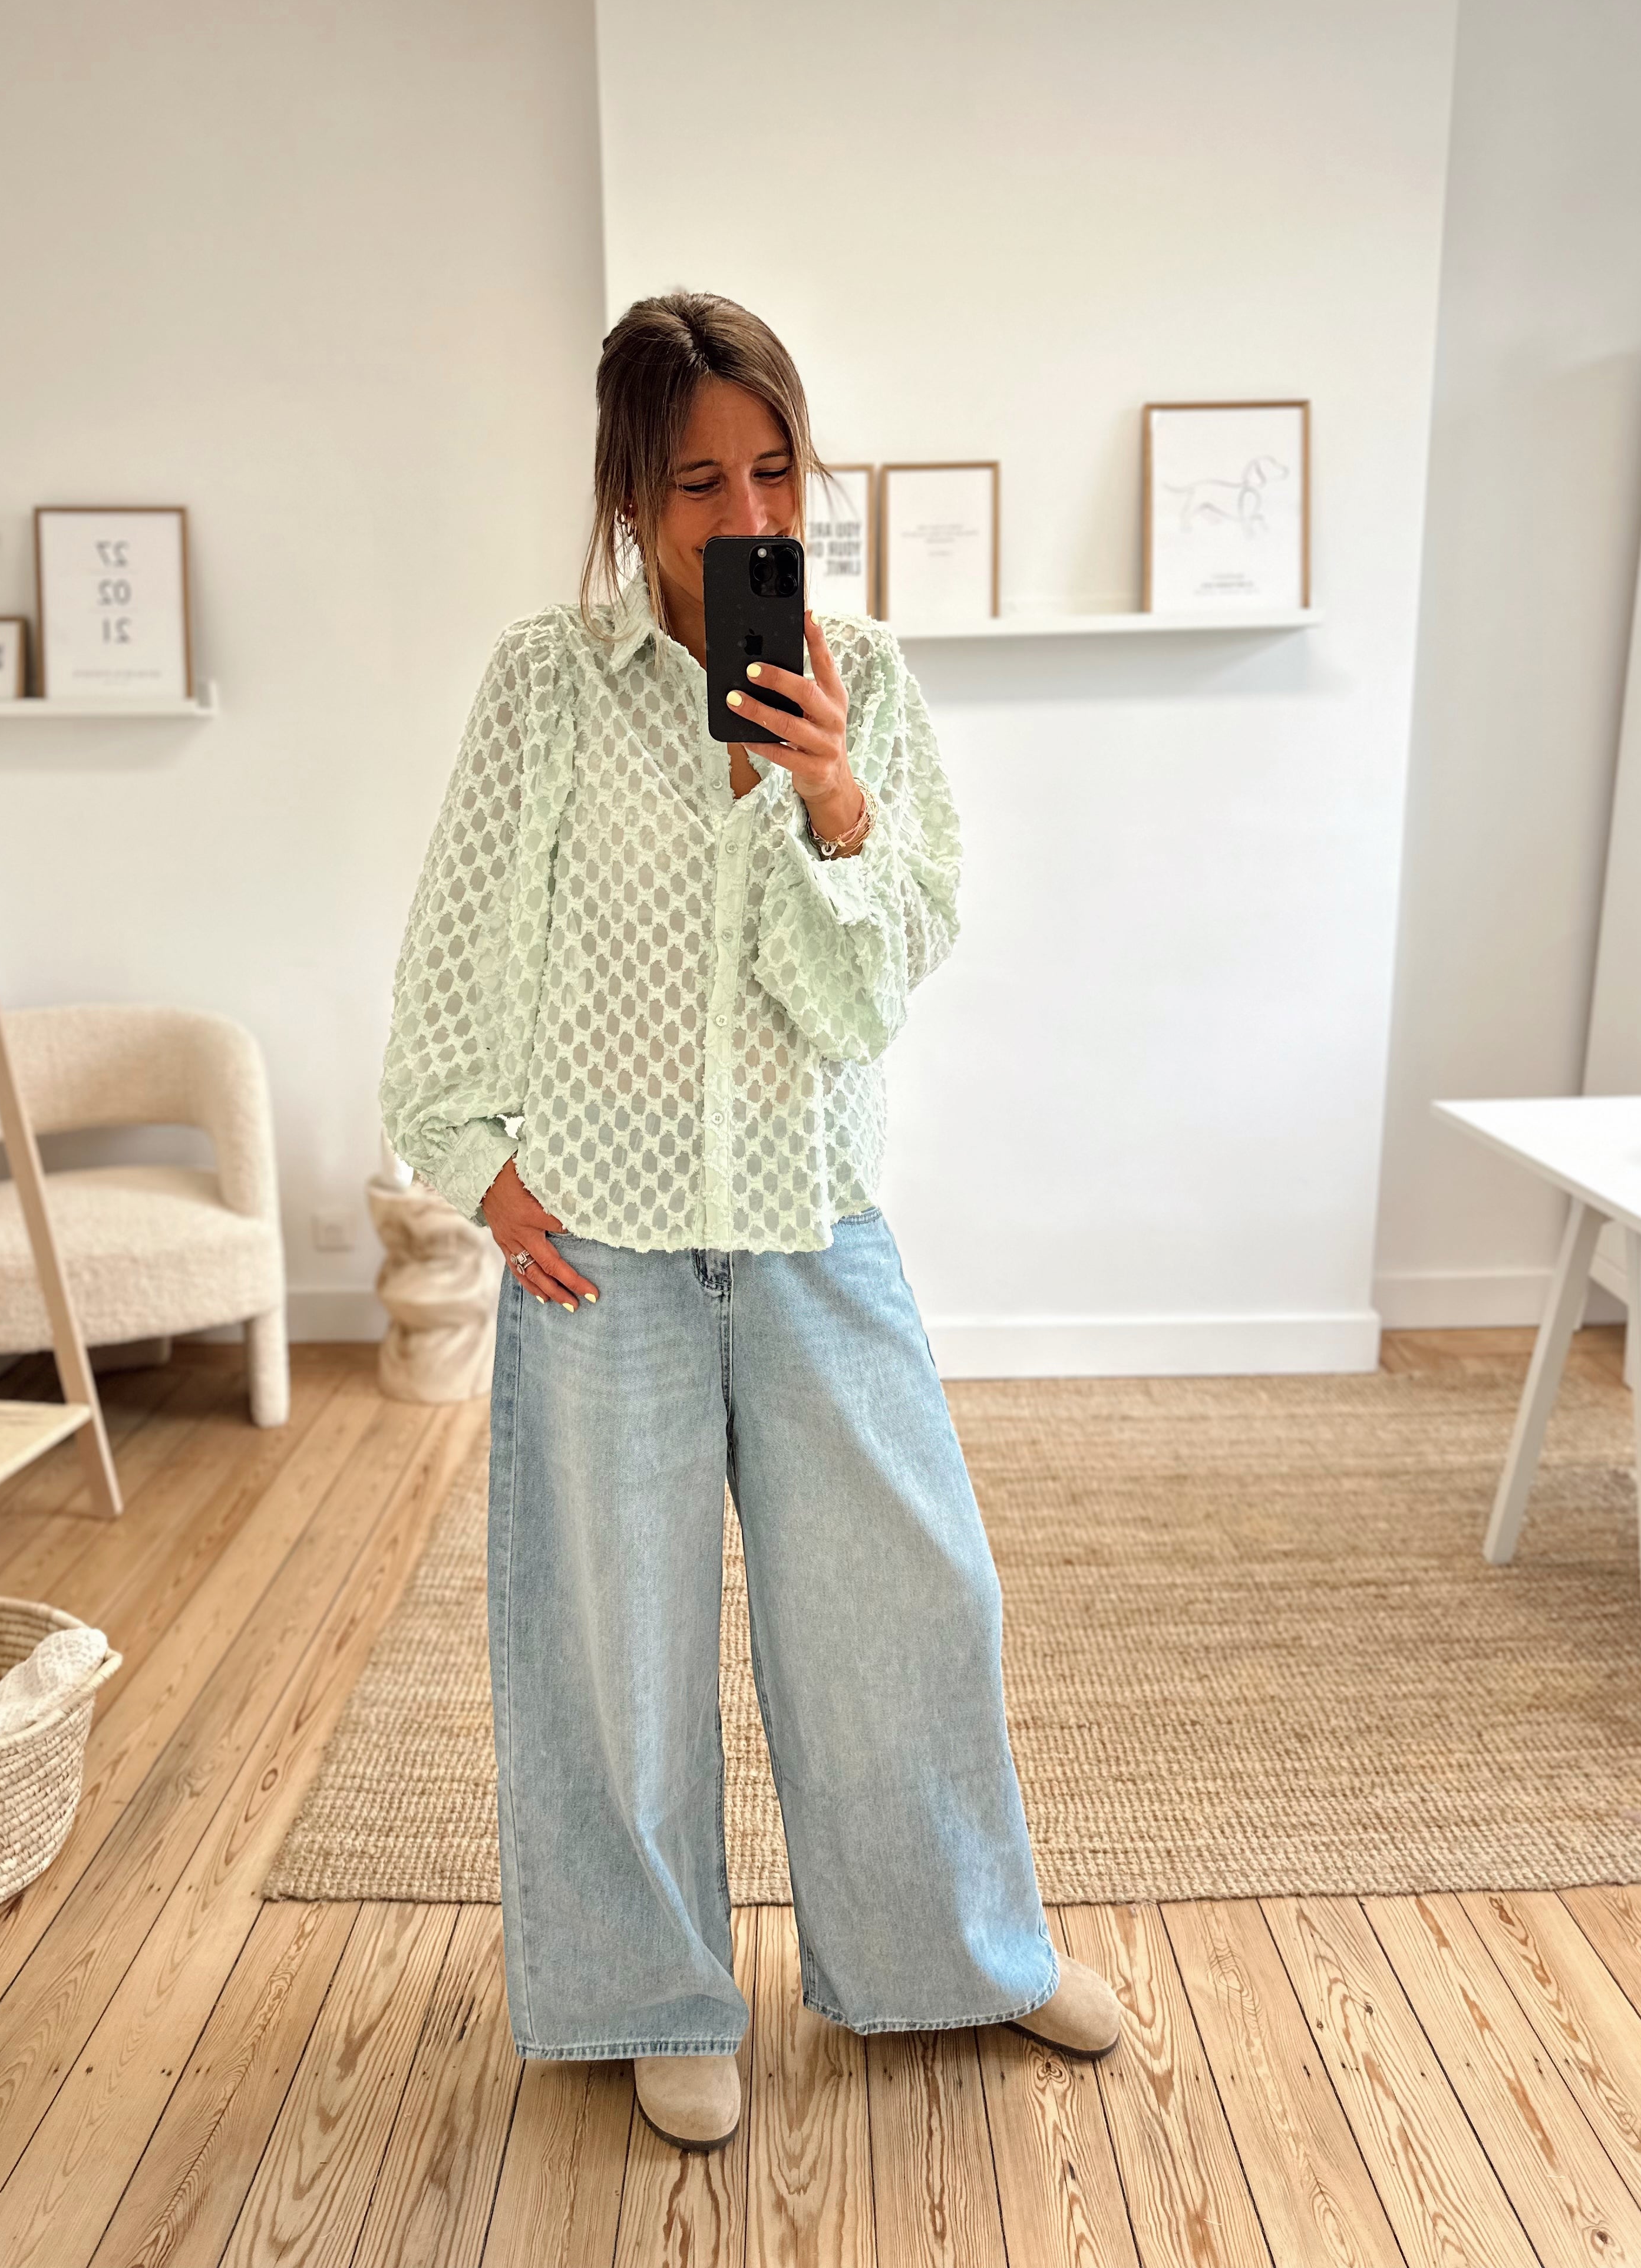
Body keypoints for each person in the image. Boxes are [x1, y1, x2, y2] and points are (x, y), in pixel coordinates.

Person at [380, 289, 1122, 2152]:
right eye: (698, 481)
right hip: (601, 1245)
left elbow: (864, 997)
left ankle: (963, 1952)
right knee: (613, 1645)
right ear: (631, 497)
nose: (745, 513)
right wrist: (474, 1160)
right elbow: (465, 934)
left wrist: (824, 794)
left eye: (774, 469)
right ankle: (651, 1991)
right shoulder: (546, 687)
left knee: (911, 1604)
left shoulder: (861, 679)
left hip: (812, 1221)